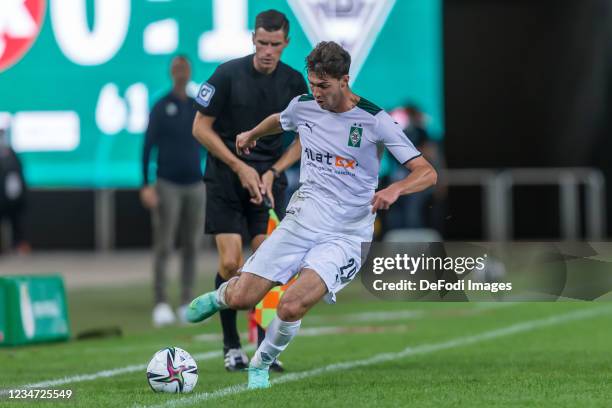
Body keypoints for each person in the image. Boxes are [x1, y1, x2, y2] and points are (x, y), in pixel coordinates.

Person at [187, 41, 437, 389]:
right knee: (244, 298)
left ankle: (260, 365)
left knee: (291, 305)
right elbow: (282, 120)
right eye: (313, 84)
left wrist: (394, 189)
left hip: (346, 235)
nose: (317, 93)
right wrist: (251, 134)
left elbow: (426, 172)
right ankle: (220, 297)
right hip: (302, 220)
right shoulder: (304, 106)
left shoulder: (375, 120)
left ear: (344, 80)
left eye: (324, 86)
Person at [191, 9, 307, 371]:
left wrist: (273, 171)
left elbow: (308, 137)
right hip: (225, 176)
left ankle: (263, 348)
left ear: (286, 43)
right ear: (252, 39)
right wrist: (239, 165)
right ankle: (231, 345)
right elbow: (200, 128)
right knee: (230, 262)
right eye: (261, 43)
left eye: (274, 44)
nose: (267, 50)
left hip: (269, 181)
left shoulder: (293, 83)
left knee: (268, 261)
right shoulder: (227, 74)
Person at [141, 55, 206, 327]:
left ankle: (186, 301)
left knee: (192, 245)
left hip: (195, 183)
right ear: (171, 72)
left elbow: (207, 141)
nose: (180, 72)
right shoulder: (160, 106)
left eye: (184, 68)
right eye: (176, 68)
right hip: (167, 183)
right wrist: (145, 183)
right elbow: (147, 147)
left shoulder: (197, 106)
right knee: (164, 245)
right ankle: (160, 301)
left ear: (190, 72)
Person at [0, 123, 30, 254]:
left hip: (12, 196)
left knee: (16, 221)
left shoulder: (10, 153)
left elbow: (17, 173)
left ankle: (19, 244)